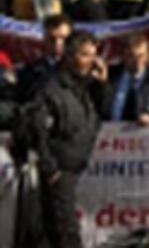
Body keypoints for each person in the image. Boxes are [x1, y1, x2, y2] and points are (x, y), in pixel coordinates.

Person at [28, 29, 107, 248]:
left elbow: (101, 113)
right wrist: (50, 169)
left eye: (93, 55)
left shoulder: (83, 86)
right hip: (59, 169)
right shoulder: (51, 88)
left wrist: (101, 85)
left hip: (74, 167)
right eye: (85, 55)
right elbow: (38, 130)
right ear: (70, 55)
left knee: (54, 232)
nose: (91, 62)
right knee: (66, 231)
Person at [101, 33, 149, 124]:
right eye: (131, 56)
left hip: (146, 131)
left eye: (141, 56)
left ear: (148, 55)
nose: (137, 61)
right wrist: (102, 84)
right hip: (108, 130)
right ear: (122, 56)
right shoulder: (109, 75)